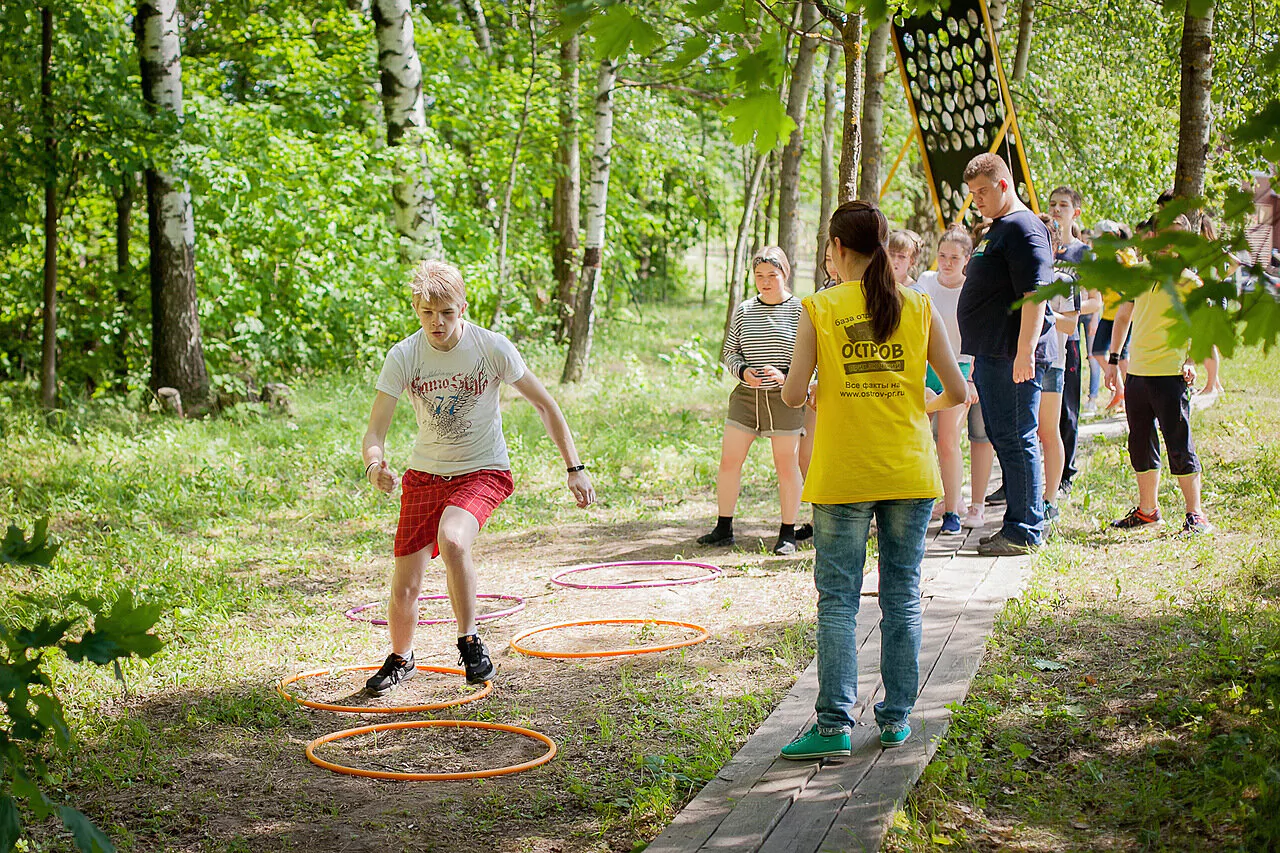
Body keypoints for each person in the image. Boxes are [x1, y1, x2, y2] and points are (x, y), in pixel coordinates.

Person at [776, 200, 967, 759]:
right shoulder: (918, 304)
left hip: (844, 471)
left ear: (835, 250)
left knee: (838, 600)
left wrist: (815, 391)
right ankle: (896, 720)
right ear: (884, 247)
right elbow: (956, 391)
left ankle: (834, 725)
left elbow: (791, 394)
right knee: (902, 595)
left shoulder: (818, 307)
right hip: (908, 466)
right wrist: (918, 404)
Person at [361, 260, 596, 694]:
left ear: (462, 307)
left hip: (482, 469)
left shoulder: (491, 348)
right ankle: (401, 657)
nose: (438, 322)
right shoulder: (404, 355)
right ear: (416, 308)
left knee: (453, 538)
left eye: (447, 312)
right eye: (429, 312)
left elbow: (546, 405)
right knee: (406, 583)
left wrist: (574, 468)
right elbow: (375, 431)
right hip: (424, 475)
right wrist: (375, 466)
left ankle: (469, 640)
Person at [957, 153, 1057, 556]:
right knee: (1004, 437)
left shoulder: (1024, 228)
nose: (976, 199)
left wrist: (1024, 352)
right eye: (972, 193)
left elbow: (1036, 294)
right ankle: (1019, 520)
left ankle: (1025, 530)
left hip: (1013, 354)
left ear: (1004, 184)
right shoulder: (998, 228)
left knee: (1018, 438)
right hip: (993, 352)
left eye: (982, 191)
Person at [1106, 213, 1212, 534]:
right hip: (1137, 374)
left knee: (1179, 444)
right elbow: (1123, 317)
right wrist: (1113, 360)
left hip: (1171, 375)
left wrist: (1192, 360)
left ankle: (1196, 514)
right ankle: (1147, 511)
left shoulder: (1189, 281)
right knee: (1139, 444)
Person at [699, 246, 805, 555]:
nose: (765, 282)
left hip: (785, 398)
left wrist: (786, 375)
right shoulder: (745, 309)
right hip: (747, 397)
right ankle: (723, 527)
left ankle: (787, 533)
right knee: (729, 460)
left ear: (785, 274)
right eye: (759, 276)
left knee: (786, 465)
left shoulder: (800, 310)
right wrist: (744, 372)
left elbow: (812, 357)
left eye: (772, 275)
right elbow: (730, 352)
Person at [916, 227, 981, 534]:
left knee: (948, 441)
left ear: (966, 259)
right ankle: (920, 502)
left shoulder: (973, 289)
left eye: (955, 258)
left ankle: (952, 511)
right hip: (924, 368)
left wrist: (971, 381)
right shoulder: (925, 282)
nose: (947, 262)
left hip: (959, 368)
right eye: (942, 255)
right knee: (917, 438)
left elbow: (978, 337)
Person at [1046, 188, 1102, 501]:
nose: (1056, 210)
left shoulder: (1082, 254)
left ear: (1075, 213)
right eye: (1052, 204)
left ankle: (1065, 474)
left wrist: (1066, 312)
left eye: (1063, 205)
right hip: (1035, 339)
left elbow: (1097, 302)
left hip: (1067, 339)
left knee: (1066, 410)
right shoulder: (1040, 246)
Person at [1088, 220, 1133, 412]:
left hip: (1123, 313)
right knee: (1097, 351)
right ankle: (1121, 390)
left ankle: (1129, 395)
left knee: (1122, 357)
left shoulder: (1121, 256)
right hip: (1108, 313)